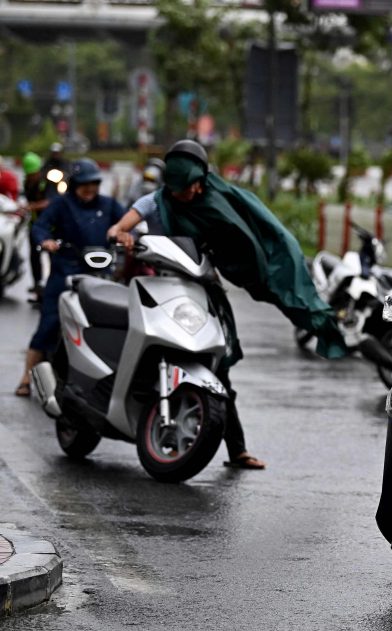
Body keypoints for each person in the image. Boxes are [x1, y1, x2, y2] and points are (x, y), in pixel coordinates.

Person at [108, 140, 347, 469]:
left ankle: (237, 450)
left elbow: (259, 235)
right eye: (179, 188)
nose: (186, 194)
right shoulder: (156, 201)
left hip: (200, 291)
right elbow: (122, 224)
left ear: (201, 178)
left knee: (218, 367)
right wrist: (122, 233)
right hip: (161, 288)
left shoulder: (224, 199)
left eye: (191, 186)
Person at [15, 159, 125, 397]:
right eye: (85, 184)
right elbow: (40, 227)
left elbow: (128, 224)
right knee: (49, 323)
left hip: (100, 276)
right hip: (65, 273)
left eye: (94, 183)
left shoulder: (109, 205)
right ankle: (26, 377)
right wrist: (46, 241)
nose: (90, 189)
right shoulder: (60, 205)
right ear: (75, 184)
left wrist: (128, 236)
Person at [20, 152, 50, 302]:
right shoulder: (27, 182)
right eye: (29, 174)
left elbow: (51, 201)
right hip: (34, 225)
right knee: (34, 257)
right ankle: (38, 288)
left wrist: (32, 206)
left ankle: (51, 290)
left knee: (53, 257)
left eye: (34, 173)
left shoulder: (47, 181)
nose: (32, 176)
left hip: (50, 227)